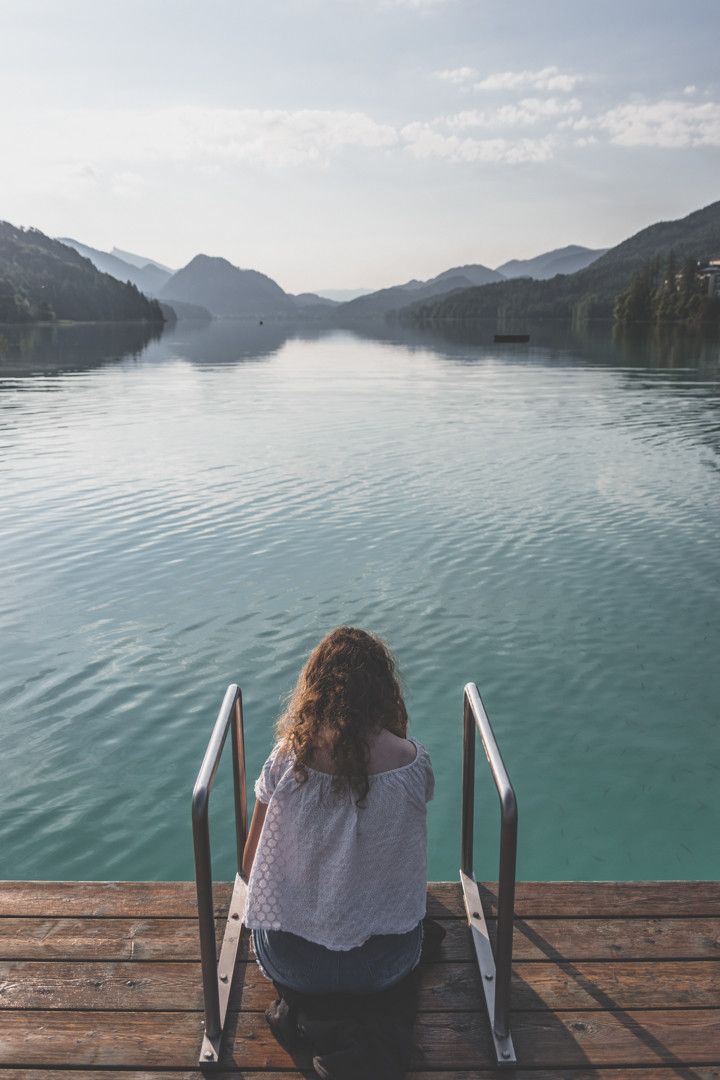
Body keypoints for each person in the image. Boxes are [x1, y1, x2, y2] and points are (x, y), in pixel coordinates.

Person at [242, 625, 435, 997]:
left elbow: (251, 866)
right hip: (386, 965)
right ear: (384, 692)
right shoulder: (411, 762)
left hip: (294, 965)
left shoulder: (286, 760)